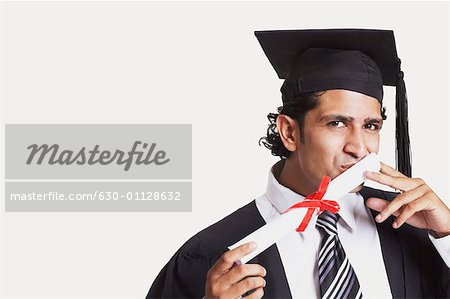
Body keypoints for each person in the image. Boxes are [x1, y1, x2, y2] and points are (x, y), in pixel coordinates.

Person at [146, 29, 450, 298]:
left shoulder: (410, 226)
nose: (359, 147)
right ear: (290, 132)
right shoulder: (213, 255)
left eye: (371, 126)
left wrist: (448, 235)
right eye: (337, 123)